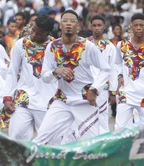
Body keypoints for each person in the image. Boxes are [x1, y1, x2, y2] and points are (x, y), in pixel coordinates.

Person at [35, 10, 110, 145]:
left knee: (90, 144)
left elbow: (105, 69)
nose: (68, 24)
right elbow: (45, 77)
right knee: (42, 137)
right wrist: (56, 71)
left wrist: (95, 90)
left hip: (84, 101)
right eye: (65, 21)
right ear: (60, 26)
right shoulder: (52, 47)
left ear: (78, 26)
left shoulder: (88, 46)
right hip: (62, 100)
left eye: (72, 21)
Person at [3, 15, 56, 140]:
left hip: (47, 100)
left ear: (47, 33)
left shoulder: (55, 46)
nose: (34, 35)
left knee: (48, 141)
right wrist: (7, 97)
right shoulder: (21, 44)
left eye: (39, 34)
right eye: (33, 30)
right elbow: (12, 72)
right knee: (17, 137)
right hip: (24, 98)